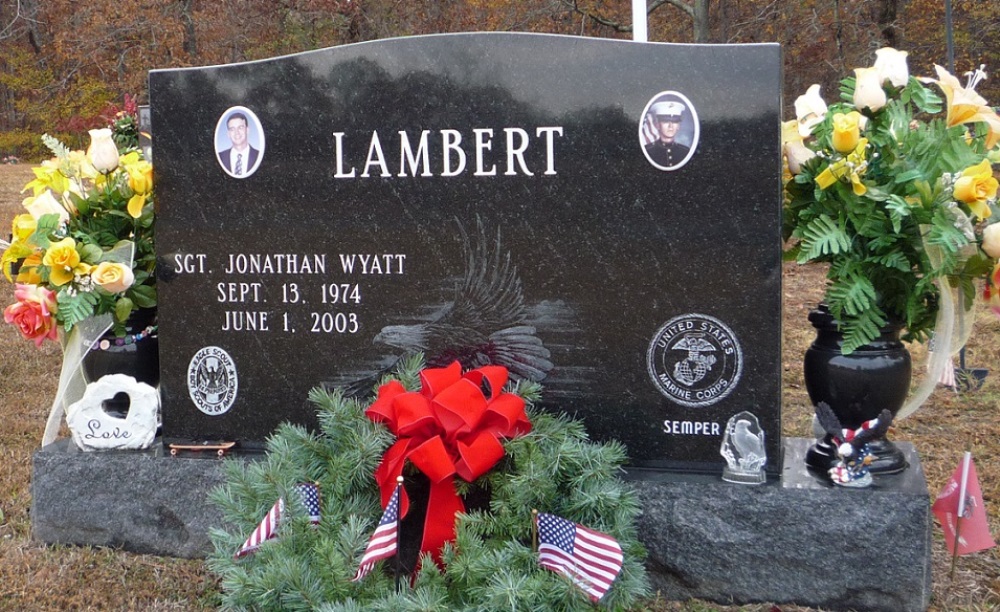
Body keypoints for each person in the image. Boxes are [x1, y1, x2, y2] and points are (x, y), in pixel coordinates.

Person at [644, 101, 690, 168]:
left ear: (678, 126)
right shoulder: (648, 151)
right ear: (657, 125)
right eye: (666, 121)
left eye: (674, 121)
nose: (670, 126)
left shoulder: (685, 151)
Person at [218, 112, 259, 177]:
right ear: (228, 134)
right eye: (232, 129)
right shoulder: (220, 157)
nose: (237, 132)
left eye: (240, 127)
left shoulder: (258, 156)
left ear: (247, 130)